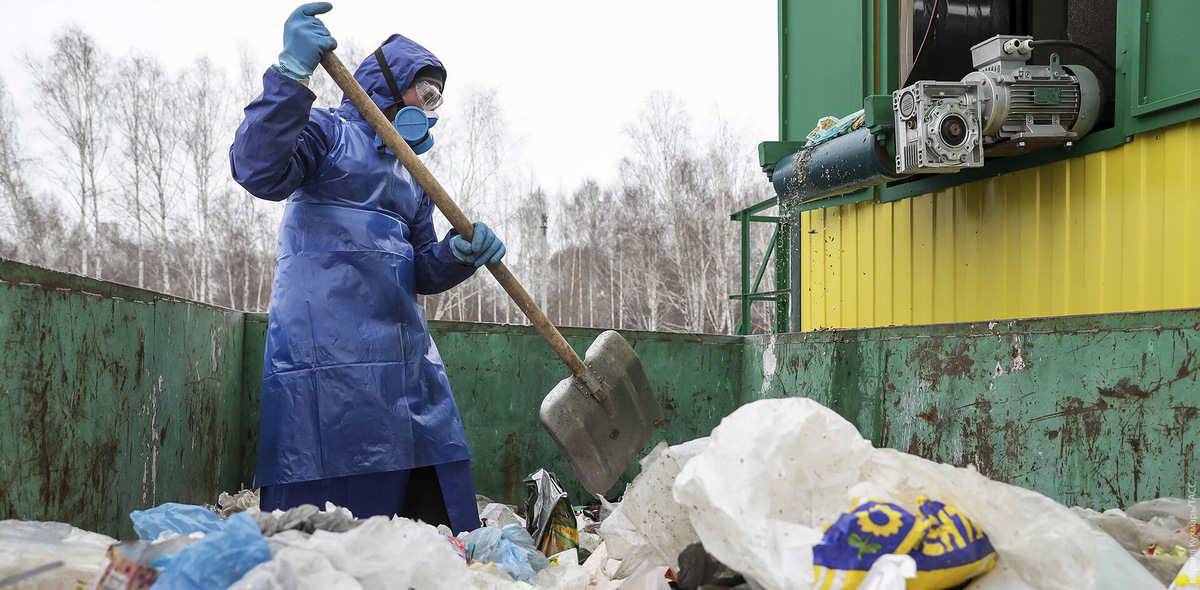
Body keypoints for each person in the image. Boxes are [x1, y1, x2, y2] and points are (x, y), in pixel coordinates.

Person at [229, 2, 504, 534]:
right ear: (386, 86)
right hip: (324, 347)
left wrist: (457, 255)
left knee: (426, 453)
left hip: (400, 351)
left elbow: (422, 270)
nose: (429, 108)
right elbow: (257, 170)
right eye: (422, 93)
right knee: (327, 465)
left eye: (436, 99)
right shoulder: (326, 135)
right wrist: (290, 73)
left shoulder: (414, 177)